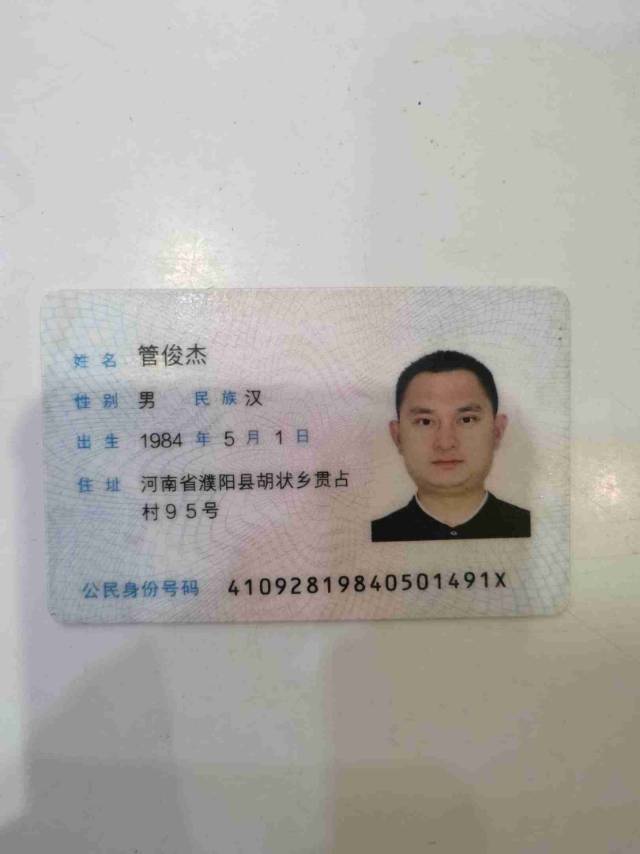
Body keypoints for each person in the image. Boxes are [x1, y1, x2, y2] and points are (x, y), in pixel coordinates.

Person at [371, 350, 530, 542]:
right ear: (397, 437)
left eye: (467, 419)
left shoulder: (532, 527)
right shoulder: (373, 536)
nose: (445, 444)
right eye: (425, 422)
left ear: (497, 431)